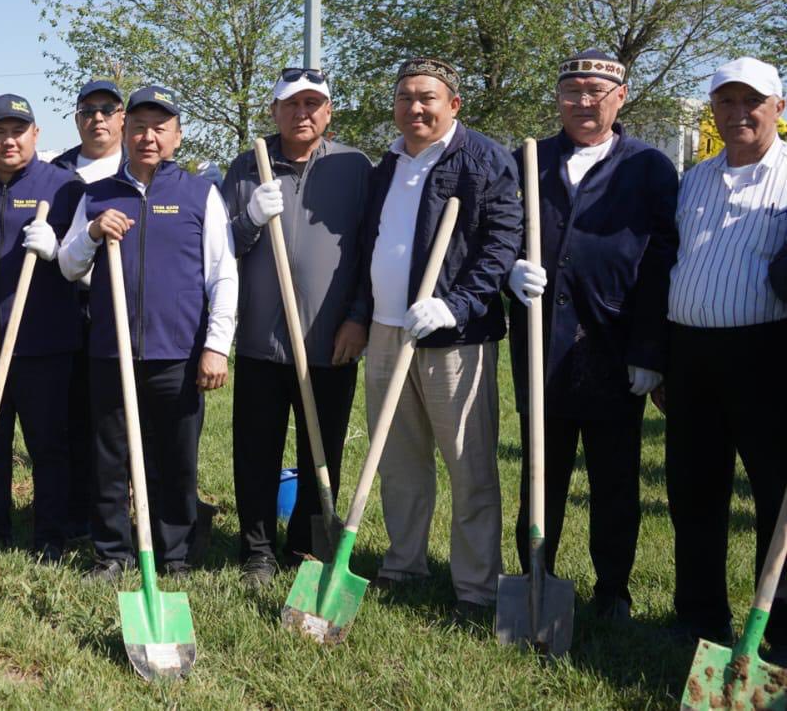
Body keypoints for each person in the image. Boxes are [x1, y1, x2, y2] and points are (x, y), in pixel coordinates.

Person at [503, 51, 677, 622]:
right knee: (541, 473)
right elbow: (501, 233)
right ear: (558, 98)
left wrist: (650, 350)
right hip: (543, 349)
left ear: (619, 98)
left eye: (595, 92)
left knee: (615, 478)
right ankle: (535, 578)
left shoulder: (646, 167)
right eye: (572, 91)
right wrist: (509, 272)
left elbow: (661, 262)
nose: (583, 102)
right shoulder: (529, 159)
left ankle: (613, 591)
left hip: (612, 343)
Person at [351, 58, 522, 624]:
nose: (414, 108)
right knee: (398, 462)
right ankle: (404, 566)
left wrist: (455, 304)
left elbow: (501, 244)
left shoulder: (483, 160)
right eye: (404, 98)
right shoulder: (388, 164)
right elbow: (371, 244)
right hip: (387, 330)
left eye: (427, 97)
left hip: (455, 339)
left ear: (454, 104)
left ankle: (477, 587)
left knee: (468, 467)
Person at [56, 85, 237, 580]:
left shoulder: (200, 194)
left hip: (176, 352)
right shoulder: (96, 195)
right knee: (109, 457)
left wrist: (216, 346)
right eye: (138, 126)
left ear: (177, 136)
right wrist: (92, 234)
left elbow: (223, 275)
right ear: (124, 131)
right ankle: (112, 552)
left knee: (176, 459)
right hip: (111, 352)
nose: (148, 136)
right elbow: (70, 266)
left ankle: (173, 553)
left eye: (160, 128)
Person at [220, 68, 372, 585]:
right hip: (263, 341)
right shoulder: (246, 168)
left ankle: (307, 545)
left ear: (328, 112)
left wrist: (357, 319)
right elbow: (220, 254)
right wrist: (248, 221)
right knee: (256, 451)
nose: (302, 114)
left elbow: (369, 252)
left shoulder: (354, 168)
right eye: (291, 104)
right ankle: (257, 550)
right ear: (274, 110)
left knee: (322, 450)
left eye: (313, 105)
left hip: (332, 341)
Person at [663, 57, 787, 658]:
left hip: (765, 355)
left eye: (752, 102)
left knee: (776, 494)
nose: (739, 114)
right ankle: (698, 614)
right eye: (726, 102)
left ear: (778, 108)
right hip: (690, 355)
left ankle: (779, 627)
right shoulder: (695, 178)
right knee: (694, 490)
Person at [0, 94, 83, 561]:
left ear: (36, 135)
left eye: (18, 131)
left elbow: (83, 256)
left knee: (47, 443)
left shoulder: (65, 187)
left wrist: (58, 245)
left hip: (45, 341)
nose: (9, 140)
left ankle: (50, 533)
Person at [51, 79, 126, 542]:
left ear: (122, 117)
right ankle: (76, 514)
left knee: (119, 420)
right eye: (87, 110)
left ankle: (127, 508)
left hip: (120, 313)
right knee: (72, 416)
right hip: (65, 311)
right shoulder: (59, 174)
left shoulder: (140, 168)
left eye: (107, 109)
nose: (97, 118)